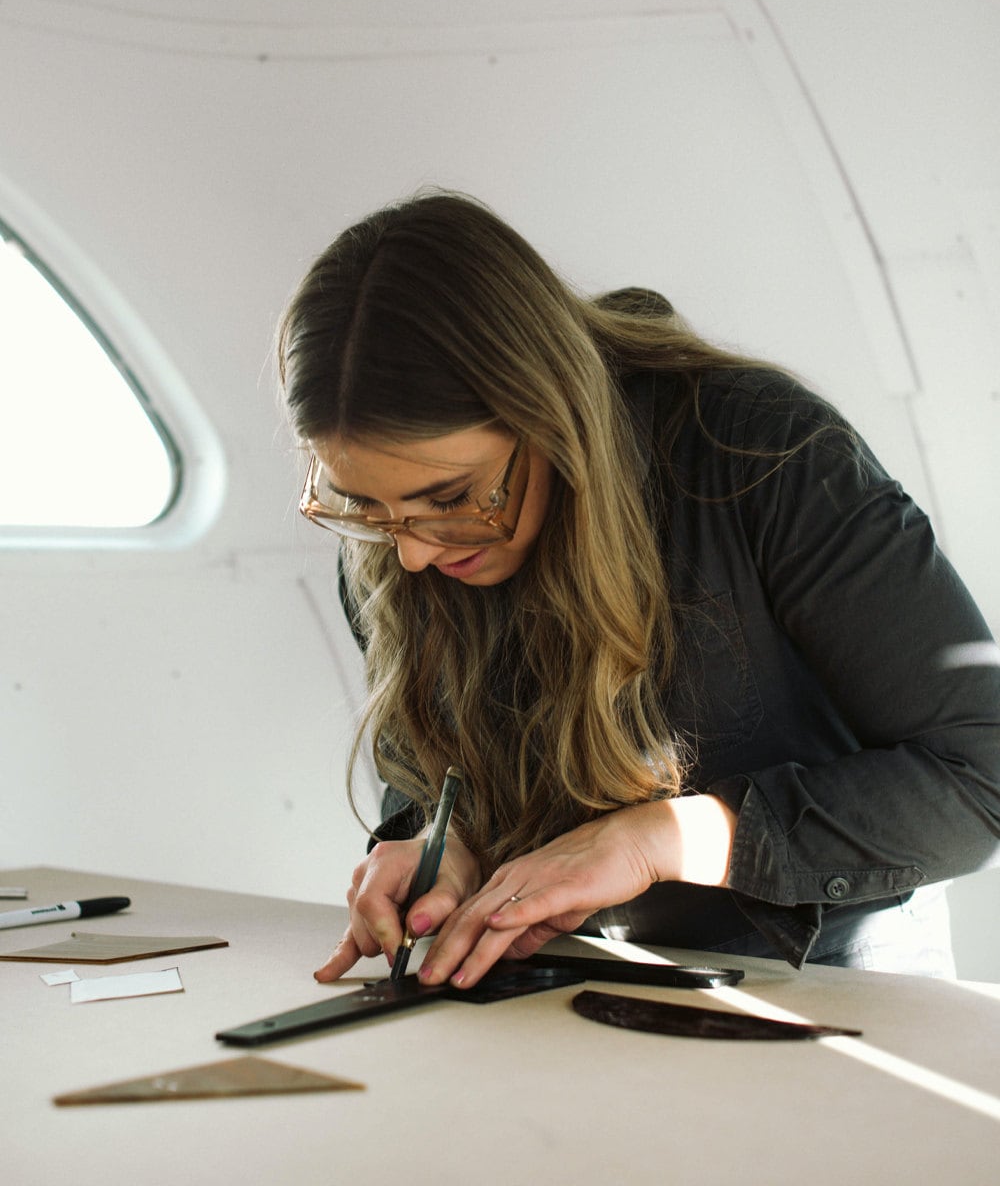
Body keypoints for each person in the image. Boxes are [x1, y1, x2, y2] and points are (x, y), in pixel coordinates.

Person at [277, 190, 1000, 987]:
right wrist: (434, 846)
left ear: (547, 409)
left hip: (829, 971)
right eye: (368, 508)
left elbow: (979, 781)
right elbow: (424, 772)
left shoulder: (762, 452)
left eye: (451, 501)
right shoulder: (394, 542)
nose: (411, 554)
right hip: (571, 974)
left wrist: (665, 838)